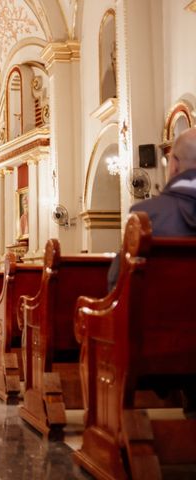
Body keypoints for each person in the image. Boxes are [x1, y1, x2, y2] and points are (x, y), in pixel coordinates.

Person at [106, 127, 196, 418]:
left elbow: (116, 285)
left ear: (174, 164)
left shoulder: (147, 216)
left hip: (157, 347)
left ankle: (114, 423)